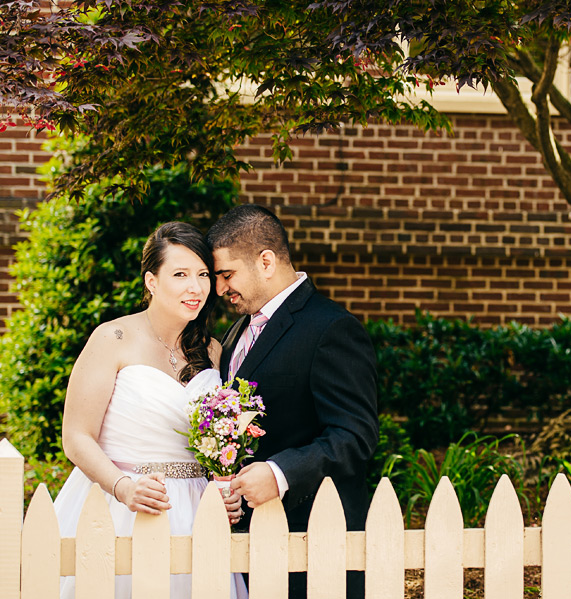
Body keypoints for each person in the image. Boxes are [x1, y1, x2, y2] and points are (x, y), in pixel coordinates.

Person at [53, 221, 247, 598]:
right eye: (180, 274)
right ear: (151, 281)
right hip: (124, 505)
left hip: (196, 512)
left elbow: (216, 442)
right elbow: (76, 437)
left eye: (203, 274)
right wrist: (122, 487)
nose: (196, 287)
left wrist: (226, 487)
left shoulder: (212, 351)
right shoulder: (113, 338)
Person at [207, 204, 378, 599]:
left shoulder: (331, 328)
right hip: (250, 542)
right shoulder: (237, 332)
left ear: (265, 261)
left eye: (227, 275)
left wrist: (280, 472)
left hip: (312, 538)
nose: (219, 289)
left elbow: (355, 436)